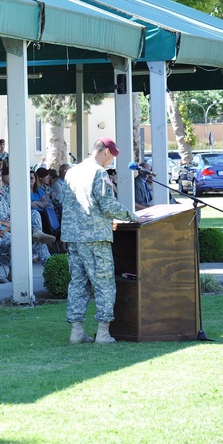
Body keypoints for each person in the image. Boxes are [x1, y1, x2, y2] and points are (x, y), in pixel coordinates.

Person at [61, 138, 139, 344]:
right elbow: (107, 205)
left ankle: (76, 332)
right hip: (94, 237)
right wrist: (132, 216)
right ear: (104, 151)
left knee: (78, 283)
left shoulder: (72, 172)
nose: (112, 161)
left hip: (73, 237)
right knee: (104, 284)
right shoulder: (99, 173)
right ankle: (103, 333)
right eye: (112, 156)